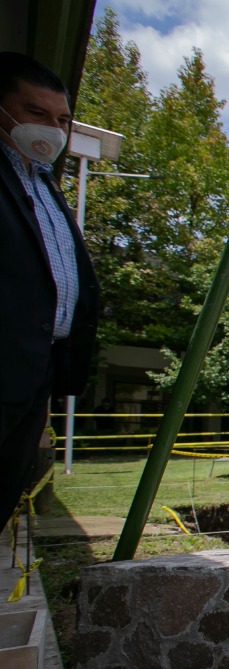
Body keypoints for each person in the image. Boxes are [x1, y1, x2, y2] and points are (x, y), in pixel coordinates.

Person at [1, 53, 99, 523]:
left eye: (62, 119)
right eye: (36, 113)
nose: (53, 130)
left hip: (31, 369)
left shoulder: (43, 184)